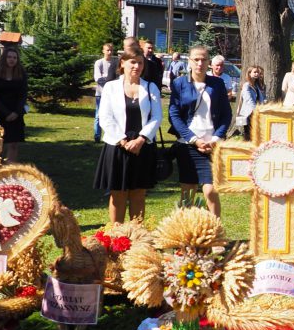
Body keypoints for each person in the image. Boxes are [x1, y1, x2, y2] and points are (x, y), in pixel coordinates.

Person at [94, 48, 162, 224]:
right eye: (133, 62)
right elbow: (105, 117)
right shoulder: (111, 87)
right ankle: (117, 235)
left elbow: (156, 116)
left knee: (139, 194)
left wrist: (141, 139)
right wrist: (122, 141)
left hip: (142, 147)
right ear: (122, 63)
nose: (137, 66)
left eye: (140, 63)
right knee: (118, 194)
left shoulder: (150, 87)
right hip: (117, 146)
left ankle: (136, 235)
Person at [170, 45, 231, 216]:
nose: (200, 63)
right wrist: (194, 140)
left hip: (212, 145)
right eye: (196, 59)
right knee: (188, 192)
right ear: (189, 61)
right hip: (187, 144)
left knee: (211, 191)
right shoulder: (179, 83)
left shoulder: (217, 84)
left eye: (204, 59)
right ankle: (185, 229)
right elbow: (174, 115)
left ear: (209, 62)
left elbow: (226, 114)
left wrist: (216, 138)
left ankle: (215, 229)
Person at [0, 47, 28, 163]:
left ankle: (10, 168)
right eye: (9, 57)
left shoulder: (21, 74)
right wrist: (6, 113)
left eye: (14, 57)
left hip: (16, 112)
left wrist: (16, 112)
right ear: (4, 58)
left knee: (13, 143)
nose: (12, 60)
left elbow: (23, 94)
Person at [236, 64, 266, 140]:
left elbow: (261, 98)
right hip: (249, 113)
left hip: (257, 112)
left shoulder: (257, 85)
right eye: (254, 72)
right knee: (249, 133)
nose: (257, 74)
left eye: (258, 72)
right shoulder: (247, 85)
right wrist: (256, 109)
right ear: (249, 73)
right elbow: (249, 100)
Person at [92, 43, 115, 143]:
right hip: (100, 93)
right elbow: (98, 78)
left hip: (112, 95)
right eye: (107, 50)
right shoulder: (99, 63)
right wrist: (109, 82)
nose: (109, 52)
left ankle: (110, 135)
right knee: (98, 115)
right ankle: (97, 136)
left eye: (111, 50)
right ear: (103, 51)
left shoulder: (115, 63)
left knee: (111, 115)